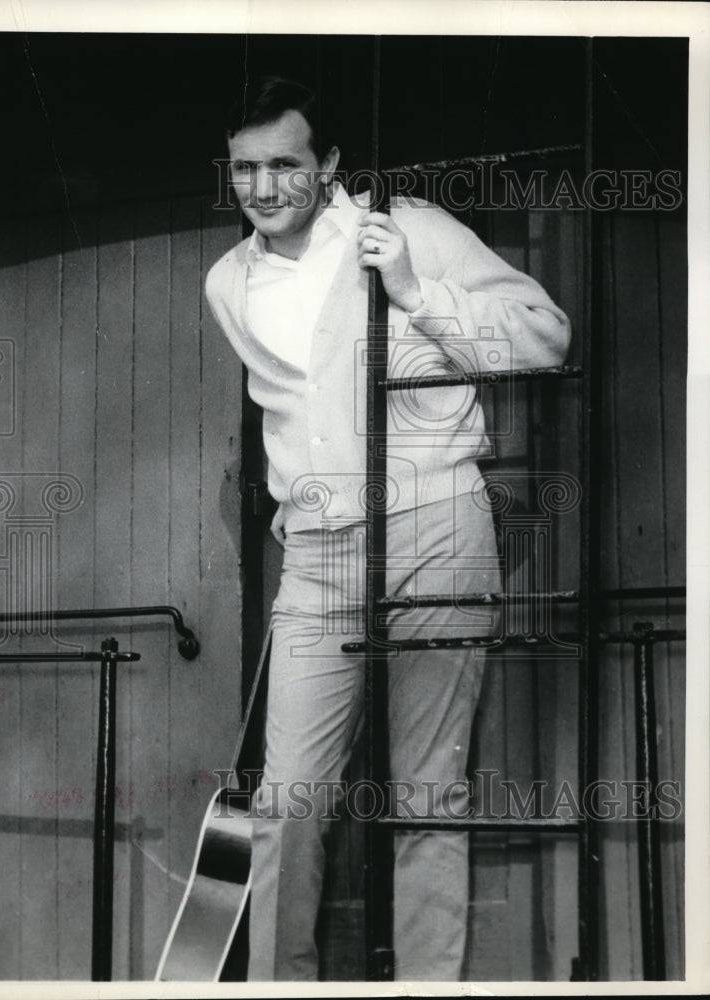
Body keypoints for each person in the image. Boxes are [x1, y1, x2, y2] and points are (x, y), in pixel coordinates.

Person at [205, 76, 570, 982]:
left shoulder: (408, 228)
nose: (263, 187)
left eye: (284, 163)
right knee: (287, 801)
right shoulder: (224, 281)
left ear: (327, 164)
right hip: (320, 556)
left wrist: (412, 288)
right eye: (245, 168)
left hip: (435, 527)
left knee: (425, 799)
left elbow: (544, 338)